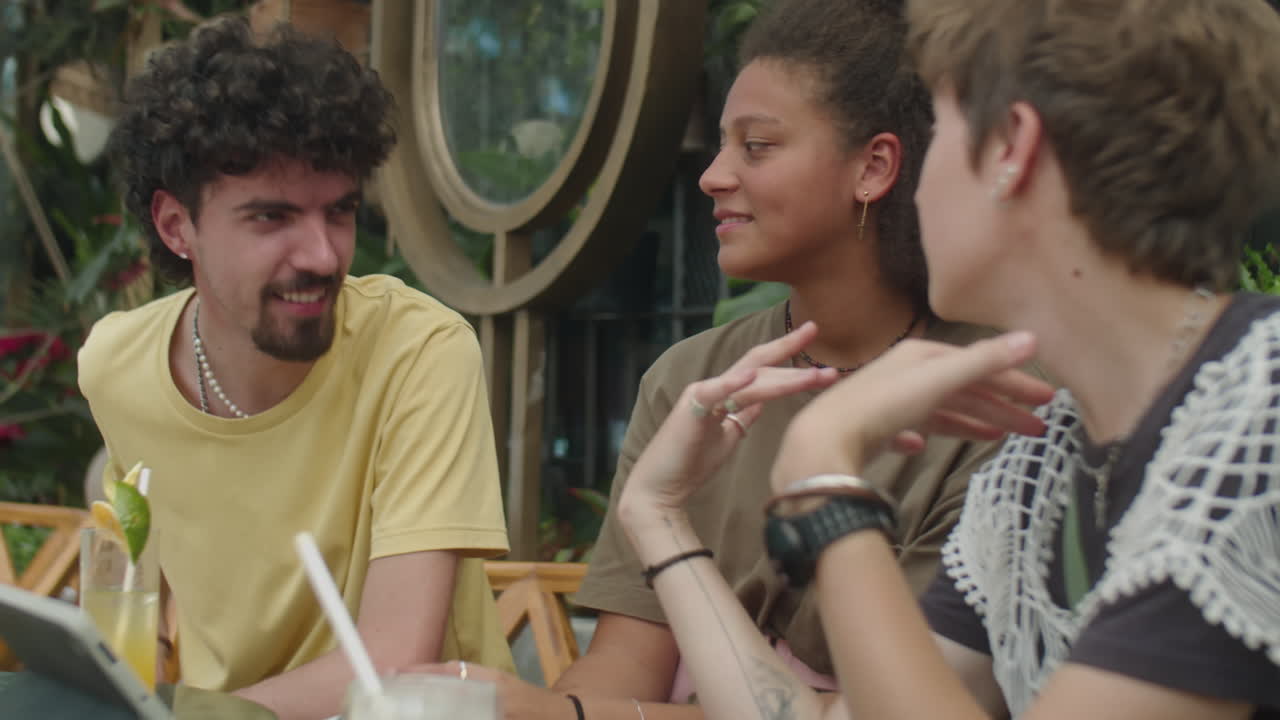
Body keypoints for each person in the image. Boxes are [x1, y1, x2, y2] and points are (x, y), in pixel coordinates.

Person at [617, 0, 1280, 718]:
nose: (915, 182)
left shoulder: (1259, 408)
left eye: (936, 136)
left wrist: (824, 478)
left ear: (1011, 151)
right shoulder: (1041, 466)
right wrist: (659, 518)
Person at [425, 1, 1031, 717]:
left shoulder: (997, 401)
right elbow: (619, 678)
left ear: (874, 166)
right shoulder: (690, 383)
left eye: (757, 146)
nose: (713, 176)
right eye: (721, 145)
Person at [78, 17, 512, 720]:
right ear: (175, 226)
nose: (321, 254)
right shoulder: (115, 365)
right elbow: (128, 589)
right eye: (271, 218)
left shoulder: (417, 351)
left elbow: (395, 663)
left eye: (338, 212)